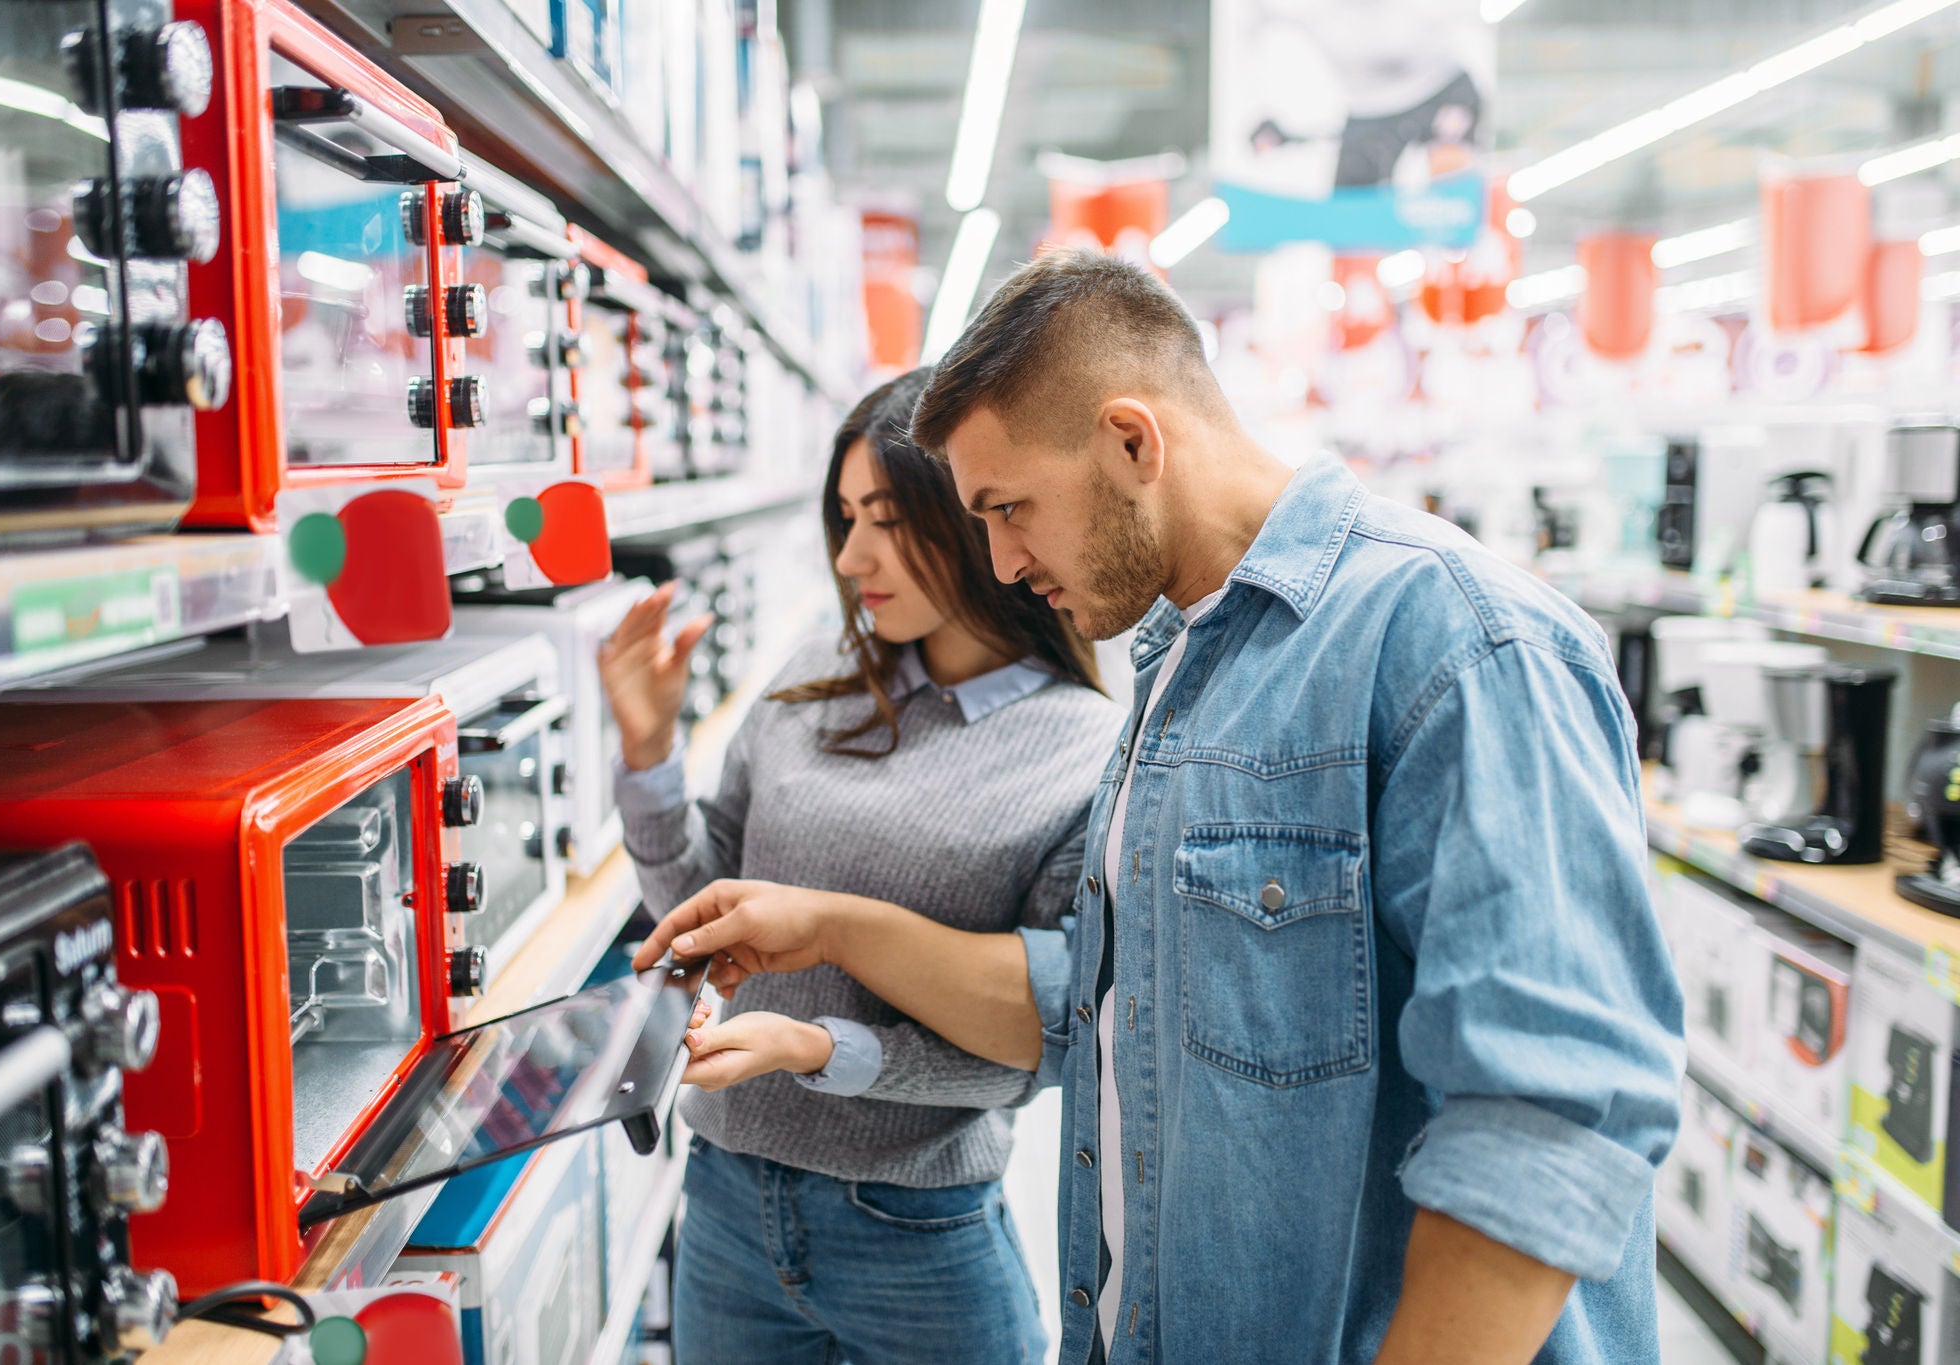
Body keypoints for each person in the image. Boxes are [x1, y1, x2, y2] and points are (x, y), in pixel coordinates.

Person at [633, 251, 1686, 1365]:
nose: (996, 557)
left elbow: (1547, 1116)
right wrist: (829, 930)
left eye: (1008, 507)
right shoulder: (1178, 666)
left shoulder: (1456, 643)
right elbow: (1096, 1004)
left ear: (1133, 442)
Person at [598, 367, 1123, 1365]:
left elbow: (1042, 1046)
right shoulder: (812, 677)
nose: (850, 557)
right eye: (843, 518)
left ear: (969, 514)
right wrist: (647, 756)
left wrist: (822, 1048)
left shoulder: (1082, 750)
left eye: (882, 519)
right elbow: (697, 920)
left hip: (916, 1226)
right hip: (724, 1198)